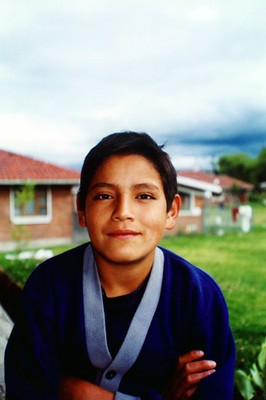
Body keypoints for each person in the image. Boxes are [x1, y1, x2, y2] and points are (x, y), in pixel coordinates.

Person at [5, 132, 236, 399]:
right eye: (104, 196)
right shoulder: (49, 286)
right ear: (82, 209)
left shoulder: (198, 295)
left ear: (171, 211)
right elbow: (28, 390)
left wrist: (80, 392)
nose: (123, 211)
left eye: (145, 196)